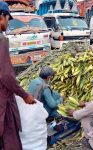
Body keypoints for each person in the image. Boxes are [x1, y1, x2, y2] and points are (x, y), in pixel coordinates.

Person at [0, 2, 36, 150]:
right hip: (2, 101)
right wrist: (24, 95)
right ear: (2, 17)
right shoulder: (1, 40)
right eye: (8, 19)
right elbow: (6, 76)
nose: (8, 24)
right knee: (10, 140)